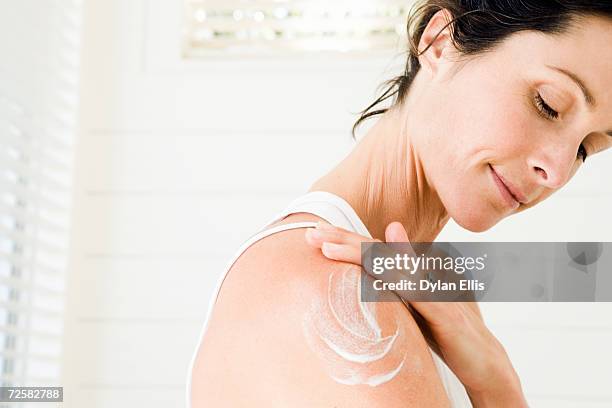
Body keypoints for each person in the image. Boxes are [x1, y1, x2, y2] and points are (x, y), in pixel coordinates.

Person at [187, 1, 612, 406]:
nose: (556, 171)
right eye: (549, 105)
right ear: (440, 42)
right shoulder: (336, 290)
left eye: (584, 150)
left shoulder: (433, 289)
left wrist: (494, 377)